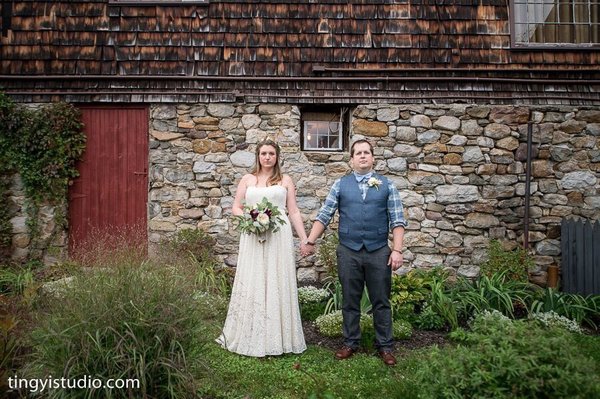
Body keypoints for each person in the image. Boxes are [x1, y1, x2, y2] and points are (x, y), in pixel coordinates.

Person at [304, 139, 407, 366]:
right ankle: (350, 342)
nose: (362, 156)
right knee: (350, 300)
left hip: (379, 251)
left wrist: (397, 250)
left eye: (366, 153)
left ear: (373, 158)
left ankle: (385, 346)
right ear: (351, 160)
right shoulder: (340, 185)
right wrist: (310, 241)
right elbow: (324, 215)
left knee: (381, 300)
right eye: (358, 153)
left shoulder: (387, 185)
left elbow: (398, 221)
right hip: (348, 250)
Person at [216, 139, 310, 357]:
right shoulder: (248, 179)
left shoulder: (285, 180)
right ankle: (250, 332)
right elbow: (236, 208)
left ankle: (279, 337)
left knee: (277, 278)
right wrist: (253, 218)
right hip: (252, 234)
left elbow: (293, 211)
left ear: (277, 157)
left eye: (271, 153)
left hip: (279, 234)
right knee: (254, 278)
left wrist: (304, 238)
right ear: (258, 156)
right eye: (263, 153)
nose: (267, 157)